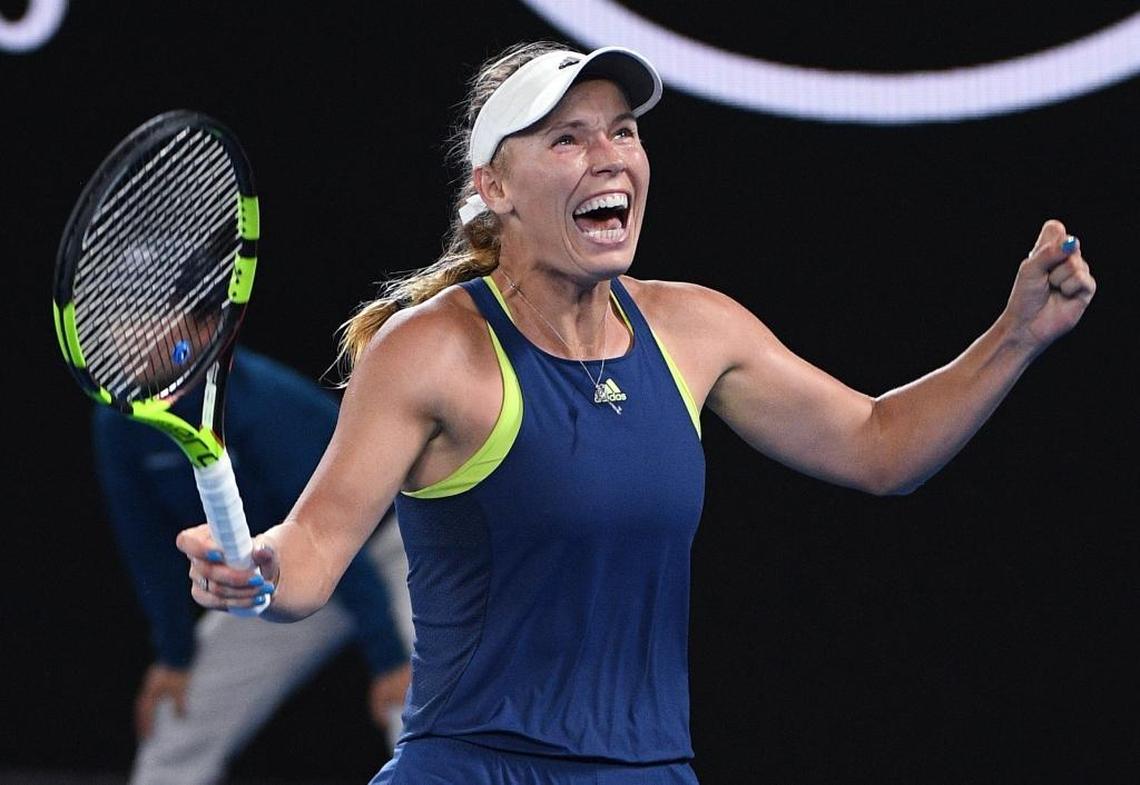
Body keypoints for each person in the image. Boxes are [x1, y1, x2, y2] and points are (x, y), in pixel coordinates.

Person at [175, 41, 1096, 784]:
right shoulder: (432, 349)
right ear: (495, 188)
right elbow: (313, 552)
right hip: (471, 767)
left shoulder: (695, 328)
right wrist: (254, 569)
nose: (610, 155)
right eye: (568, 139)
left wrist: (1015, 334)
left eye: (622, 131)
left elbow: (879, 444)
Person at [93, 345, 413, 785]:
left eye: (153, 320)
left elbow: (336, 535)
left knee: (417, 711)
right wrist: (174, 655)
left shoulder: (265, 400)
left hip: (389, 548)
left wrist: (390, 659)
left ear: (205, 328)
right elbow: (147, 548)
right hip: (280, 567)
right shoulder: (118, 422)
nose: (133, 338)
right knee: (179, 712)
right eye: (122, 323)